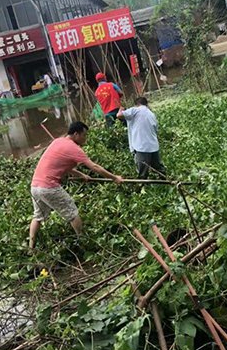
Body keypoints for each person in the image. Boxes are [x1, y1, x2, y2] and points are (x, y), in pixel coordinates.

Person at [29, 121, 124, 249]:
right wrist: (115, 178)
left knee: (38, 217)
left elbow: (60, 164)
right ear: (76, 134)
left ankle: (30, 248)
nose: (86, 138)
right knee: (73, 213)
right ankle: (83, 243)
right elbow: (95, 167)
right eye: (84, 135)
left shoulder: (57, 141)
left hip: (35, 186)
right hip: (49, 187)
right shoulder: (74, 148)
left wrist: (80, 175)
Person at [117, 97, 165, 179]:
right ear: (146, 104)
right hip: (153, 145)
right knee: (158, 168)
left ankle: (141, 187)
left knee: (143, 172)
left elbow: (119, 115)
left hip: (141, 146)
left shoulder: (135, 110)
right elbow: (156, 129)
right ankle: (165, 183)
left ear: (137, 104)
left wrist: (120, 109)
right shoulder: (151, 114)